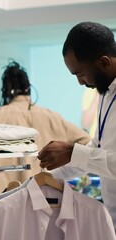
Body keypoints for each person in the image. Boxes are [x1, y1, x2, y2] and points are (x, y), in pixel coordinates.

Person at [38, 22, 116, 228]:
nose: (80, 83)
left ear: (105, 62)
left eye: (80, 74)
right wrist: (45, 178)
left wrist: (73, 151)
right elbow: (96, 152)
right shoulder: (106, 94)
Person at [0, 60, 90, 195]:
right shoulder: (51, 117)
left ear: (5, 89)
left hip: (5, 198)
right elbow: (86, 141)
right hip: (45, 194)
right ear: (28, 87)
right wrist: (63, 168)